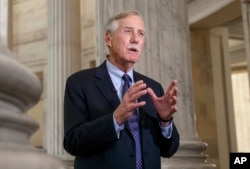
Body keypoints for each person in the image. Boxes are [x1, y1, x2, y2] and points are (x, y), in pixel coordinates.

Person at [63, 10, 179, 169]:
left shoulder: (152, 87)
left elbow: (168, 150)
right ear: (108, 38)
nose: (136, 39)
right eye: (128, 31)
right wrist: (115, 119)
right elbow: (72, 142)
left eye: (141, 33)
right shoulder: (79, 83)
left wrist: (165, 121)